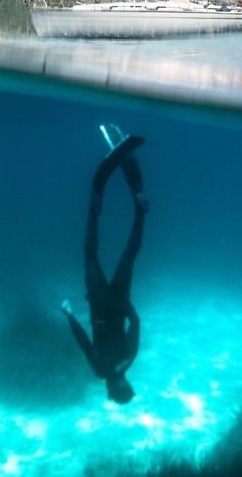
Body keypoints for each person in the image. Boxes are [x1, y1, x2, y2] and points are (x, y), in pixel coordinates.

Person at [61, 124, 149, 404]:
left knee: (117, 253)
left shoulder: (124, 362)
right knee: (101, 254)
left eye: (123, 389)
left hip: (109, 304)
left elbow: (131, 323)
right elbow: (87, 342)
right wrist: (70, 316)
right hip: (104, 305)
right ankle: (129, 208)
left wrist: (71, 315)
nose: (124, 384)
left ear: (115, 389)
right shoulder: (106, 370)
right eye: (127, 388)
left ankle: (139, 210)